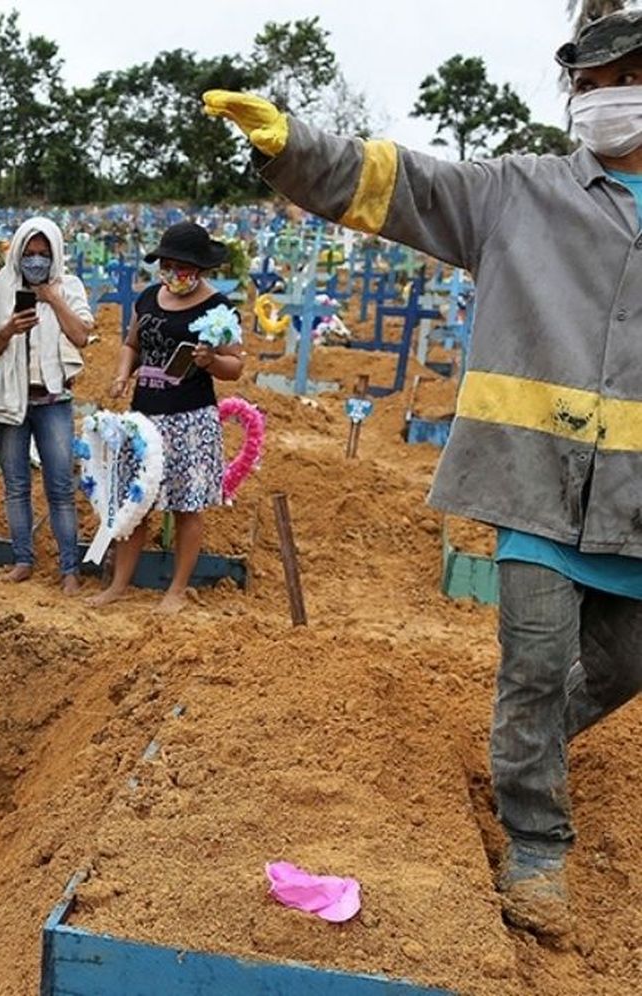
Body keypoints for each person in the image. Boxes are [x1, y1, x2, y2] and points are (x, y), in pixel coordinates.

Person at [204, 8, 642, 938]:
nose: (605, 102)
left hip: (638, 505)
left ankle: (524, 755)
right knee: (531, 663)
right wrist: (292, 149)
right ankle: (536, 847)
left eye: (626, 81)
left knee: (619, 666)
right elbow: (399, 186)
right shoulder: (524, 193)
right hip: (533, 479)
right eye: (591, 87)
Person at [88, 222, 245, 613]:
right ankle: (119, 585)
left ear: (201, 269)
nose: (174, 273)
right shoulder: (147, 298)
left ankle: (176, 589)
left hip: (190, 418)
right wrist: (123, 375)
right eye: (168, 265)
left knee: (187, 505)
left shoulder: (218, 309)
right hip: (144, 418)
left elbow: (236, 366)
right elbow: (132, 344)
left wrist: (211, 361)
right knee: (136, 502)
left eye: (183, 266)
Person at [0, 218, 94, 596]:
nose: (37, 260)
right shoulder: (1, 288)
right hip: (13, 401)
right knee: (15, 486)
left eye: (44, 254)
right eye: (30, 253)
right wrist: (9, 328)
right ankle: (23, 559)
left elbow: (81, 336)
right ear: (18, 254)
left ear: (55, 253)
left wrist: (53, 298)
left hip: (53, 400)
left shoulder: (69, 286)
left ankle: (69, 568)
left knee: (60, 486)